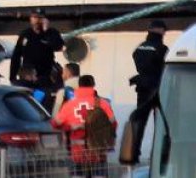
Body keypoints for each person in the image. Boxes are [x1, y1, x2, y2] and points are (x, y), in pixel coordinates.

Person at [53, 74, 117, 177]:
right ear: (93, 85)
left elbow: (55, 124)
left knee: (78, 175)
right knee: (99, 175)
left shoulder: (69, 105)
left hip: (77, 151)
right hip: (98, 151)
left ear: (79, 85)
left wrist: (71, 127)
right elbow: (113, 123)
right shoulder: (102, 103)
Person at [126, 20, 168, 165]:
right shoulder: (162, 48)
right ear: (161, 31)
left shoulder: (139, 48)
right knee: (161, 124)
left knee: (140, 122)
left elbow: (137, 60)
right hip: (159, 88)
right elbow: (166, 68)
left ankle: (133, 155)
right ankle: (159, 156)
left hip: (143, 88)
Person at [9, 8, 64, 93]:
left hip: (45, 76)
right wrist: (12, 77)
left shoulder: (52, 33)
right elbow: (16, 56)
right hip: (28, 76)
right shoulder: (25, 34)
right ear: (30, 19)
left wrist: (46, 31)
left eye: (40, 18)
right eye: (35, 17)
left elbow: (58, 46)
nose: (37, 21)